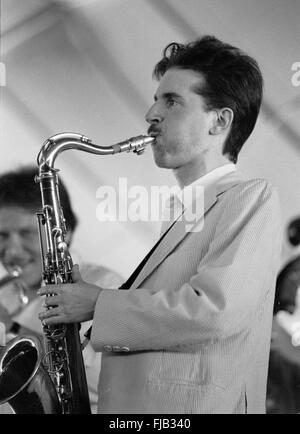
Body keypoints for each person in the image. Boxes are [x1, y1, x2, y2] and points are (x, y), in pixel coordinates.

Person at [38, 35, 283, 414]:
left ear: (220, 120)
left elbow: (214, 311)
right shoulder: (182, 211)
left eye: (171, 101)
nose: (151, 113)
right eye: (156, 99)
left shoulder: (250, 196)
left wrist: (99, 302)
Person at [0, 166, 123, 414]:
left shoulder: (103, 284)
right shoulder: (5, 292)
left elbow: (96, 377)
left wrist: (11, 328)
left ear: (61, 233)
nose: (12, 252)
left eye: (26, 233)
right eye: (2, 235)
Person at [267, 217, 300, 413]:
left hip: (285, 348)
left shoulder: (296, 266)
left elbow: (284, 309)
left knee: (280, 404)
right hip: (288, 348)